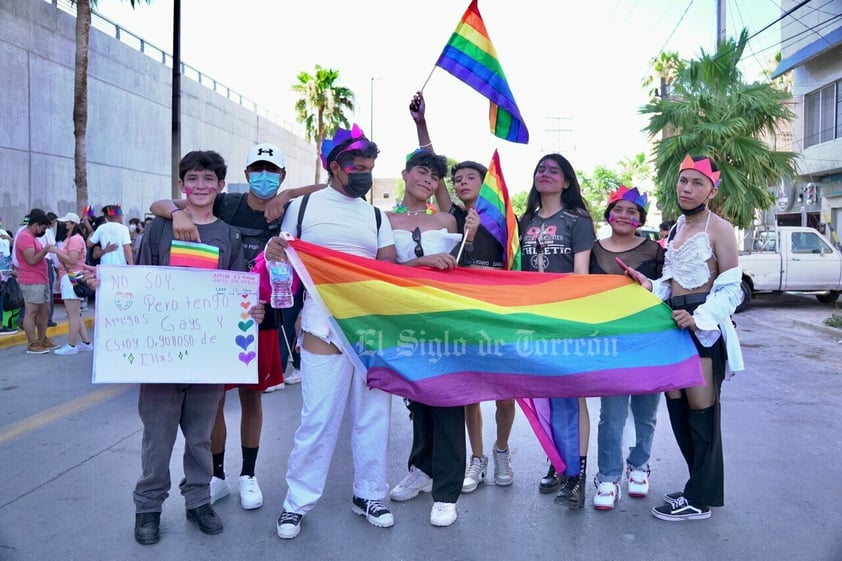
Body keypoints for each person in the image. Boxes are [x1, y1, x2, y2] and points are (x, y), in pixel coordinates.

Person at [149, 142, 303, 512]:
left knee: (252, 398)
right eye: (257, 170)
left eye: (272, 172)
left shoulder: (292, 211)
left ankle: (248, 475)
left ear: (281, 177)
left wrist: (291, 194)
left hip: (260, 317)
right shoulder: (225, 203)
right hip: (217, 319)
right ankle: (217, 475)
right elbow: (159, 204)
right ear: (245, 175)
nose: (263, 177)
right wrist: (177, 213)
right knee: (214, 398)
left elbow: (325, 191)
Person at [266, 124, 397, 540]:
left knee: (374, 417)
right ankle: (297, 502)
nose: (365, 175)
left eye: (370, 168)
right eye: (357, 167)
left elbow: (389, 271)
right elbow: (285, 263)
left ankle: (370, 494)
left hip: (370, 327)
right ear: (336, 167)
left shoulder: (377, 216)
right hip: (322, 325)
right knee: (317, 418)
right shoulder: (302, 209)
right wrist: (274, 255)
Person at [132, 150, 262, 545]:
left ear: (221, 186)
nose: (201, 186)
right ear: (181, 185)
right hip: (161, 353)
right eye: (193, 179)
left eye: (209, 179)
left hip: (209, 353)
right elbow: (139, 283)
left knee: (201, 436)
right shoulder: (158, 229)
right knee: (158, 436)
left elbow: (238, 288)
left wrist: (251, 310)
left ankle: (198, 501)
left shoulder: (230, 236)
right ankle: (148, 508)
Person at [620, 155, 744, 521]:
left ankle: (701, 499)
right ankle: (696, 487)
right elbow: (672, 283)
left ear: (711, 189)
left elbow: (732, 289)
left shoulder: (719, 228)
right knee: (679, 412)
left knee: (703, 415)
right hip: (672, 330)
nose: (687, 189)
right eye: (683, 181)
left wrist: (699, 318)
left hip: (702, 331)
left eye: (696, 183)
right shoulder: (674, 230)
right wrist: (650, 285)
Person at [409, 91, 515, 493]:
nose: (460, 182)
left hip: (499, 313)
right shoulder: (451, 215)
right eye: (457, 179)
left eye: (469, 177)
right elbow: (430, 167)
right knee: (471, 391)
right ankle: (478, 459)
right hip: (461, 313)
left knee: (506, 392)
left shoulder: (507, 219)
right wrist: (421, 123)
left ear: (485, 184)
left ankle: (502, 451)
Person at [385, 149, 465, 527]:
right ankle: (421, 468)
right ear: (404, 173)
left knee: (447, 398)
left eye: (435, 177)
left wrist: (423, 124)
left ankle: (447, 493)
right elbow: (380, 269)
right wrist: (419, 263)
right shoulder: (382, 219)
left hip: (444, 319)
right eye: (422, 172)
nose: (428, 181)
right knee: (417, 398)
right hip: (403, 319)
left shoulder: (447, 218)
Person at [519, 153, 595, 508]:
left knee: (572, 394)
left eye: (554, 171)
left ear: (567, 182)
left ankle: (577, 475)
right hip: (533, 319)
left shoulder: (578, 220)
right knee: (545, 393)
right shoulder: (525, 221)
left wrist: (570, 316)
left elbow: (581, 275)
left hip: (565, 317)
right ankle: (558, 461)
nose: (544, 174)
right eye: (540, 169)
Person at [589, 187, 664, 510]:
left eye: (632, 211)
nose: (624, 215)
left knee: (646, 413)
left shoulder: (657, 252)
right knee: (611, 416)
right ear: (608, 214)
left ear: (640, 219)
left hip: (649, 341)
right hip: (610, 343)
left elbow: (667, 291)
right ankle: (607, 477)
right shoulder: (592, 251)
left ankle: (639, 466)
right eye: (618, 209)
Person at [14, 209, 59, 354]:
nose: (44, 231)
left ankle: (42, 338)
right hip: (31, 281)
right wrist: (45, 250)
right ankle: (32, 343)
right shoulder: (25, 237)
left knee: (45, 311)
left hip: (41, 279)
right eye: (43, 228)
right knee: (31, 311)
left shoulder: (32, 237)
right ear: (36, 225)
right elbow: (31, 259)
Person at [51, 212, 95, 355]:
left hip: (72, 276)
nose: (64, 224)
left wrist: (56, 251)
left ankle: (72, 345)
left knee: (73, 314)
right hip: (69, 276)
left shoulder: (75, 239)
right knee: (75, 313)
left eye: (67, 222)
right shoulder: (72, 238)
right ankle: (86, 342)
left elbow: (72, 259)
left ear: (73, 224)